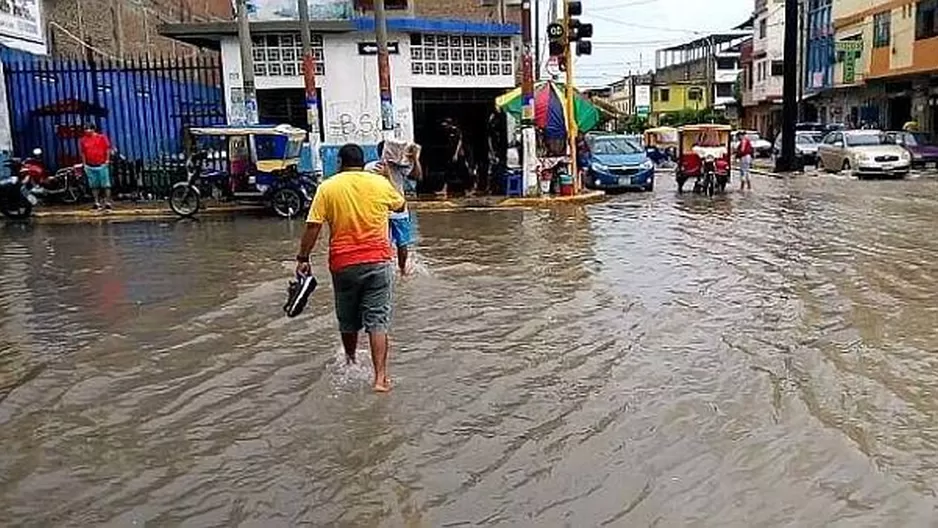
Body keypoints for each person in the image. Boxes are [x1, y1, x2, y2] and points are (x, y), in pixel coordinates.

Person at [295, 144, 405, 393]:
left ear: (340, 162)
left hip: (343, 264)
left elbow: (313, 227)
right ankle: (380, 379)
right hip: (378, 261)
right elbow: (400, 206)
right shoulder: (378, 184)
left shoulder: (328, 187)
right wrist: (388, 179)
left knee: (347, 319)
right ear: (362, 161)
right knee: (378, 321)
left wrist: (303, 257)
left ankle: (351, 361)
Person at [364, 140, 422, 275]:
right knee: (382, 241)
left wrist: (415, 159)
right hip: (379, 210)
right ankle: (384, 269)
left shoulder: (400, 167)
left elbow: (418, 176)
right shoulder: (372, 167)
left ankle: (402, 270)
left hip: (398, 210)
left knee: (402, 243)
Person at [79, 123, 113, 210]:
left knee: (106, 184)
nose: (87, 131)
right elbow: (83, 153)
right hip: (90, 165)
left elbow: (107, 149)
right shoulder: (83, 140)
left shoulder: (101, 137)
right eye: (85, 129)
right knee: (94, 185)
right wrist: (84, 164)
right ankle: (96, 202)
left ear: (93, 129)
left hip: (102, 164)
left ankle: (107, 202)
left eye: (88, 129)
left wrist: (107, 160)